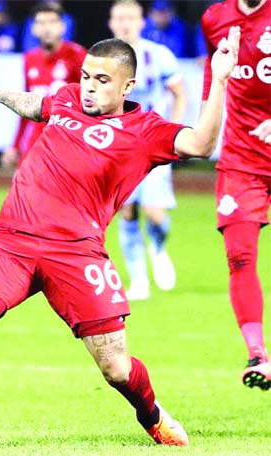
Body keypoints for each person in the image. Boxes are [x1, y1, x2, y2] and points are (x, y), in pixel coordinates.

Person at [0, 28, 241, 446]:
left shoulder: (145, 130)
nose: (89, 87)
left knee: (115, 367)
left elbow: (202, 144)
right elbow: (35, 106)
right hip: (10, 240)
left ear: (128, 84)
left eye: (102, 80)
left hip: (77, 256)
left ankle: (151, 415)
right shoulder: (66, 99)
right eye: (86, 77)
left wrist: (219, 80)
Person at [201, 0, 271, 390]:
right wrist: (203, 119)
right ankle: (258, 354)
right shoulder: (214, 17)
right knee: (240, 255)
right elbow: (214, 74)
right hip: (242, 159)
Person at [109, 0, 187, 300]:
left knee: (155, 213)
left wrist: (174, 132)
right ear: (111, 23)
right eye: (120, 18)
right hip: (118, 147)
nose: (125, 23)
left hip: (153, 145)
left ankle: (159, 246)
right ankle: (139, 281)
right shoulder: (103, 58)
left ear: (142, 22)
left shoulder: (159, 56)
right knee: (127, 211)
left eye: (131, 17)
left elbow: (180, 94)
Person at [1, 1, 85, 168]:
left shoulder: (78, 56)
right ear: (33, 28)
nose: (47, 28)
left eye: (52, 22)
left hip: (68, 142)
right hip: (37, 141)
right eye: (41, 23)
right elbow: (27, 106)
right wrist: (16, 145)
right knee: (22, 189)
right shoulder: (29, 60)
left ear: (62, 26)